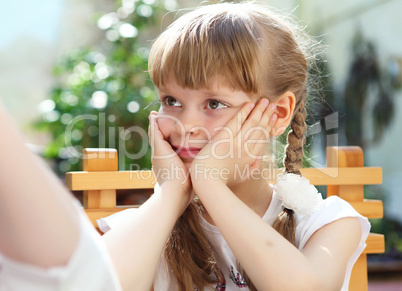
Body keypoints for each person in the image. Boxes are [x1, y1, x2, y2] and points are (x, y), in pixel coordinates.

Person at [0, 2, 369, 291]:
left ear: (278, 113)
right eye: (171, 101)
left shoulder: (325, 223)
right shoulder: (148, 228)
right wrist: (170, 194)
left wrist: (211, 186)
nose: (185, 125)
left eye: (214, 104)